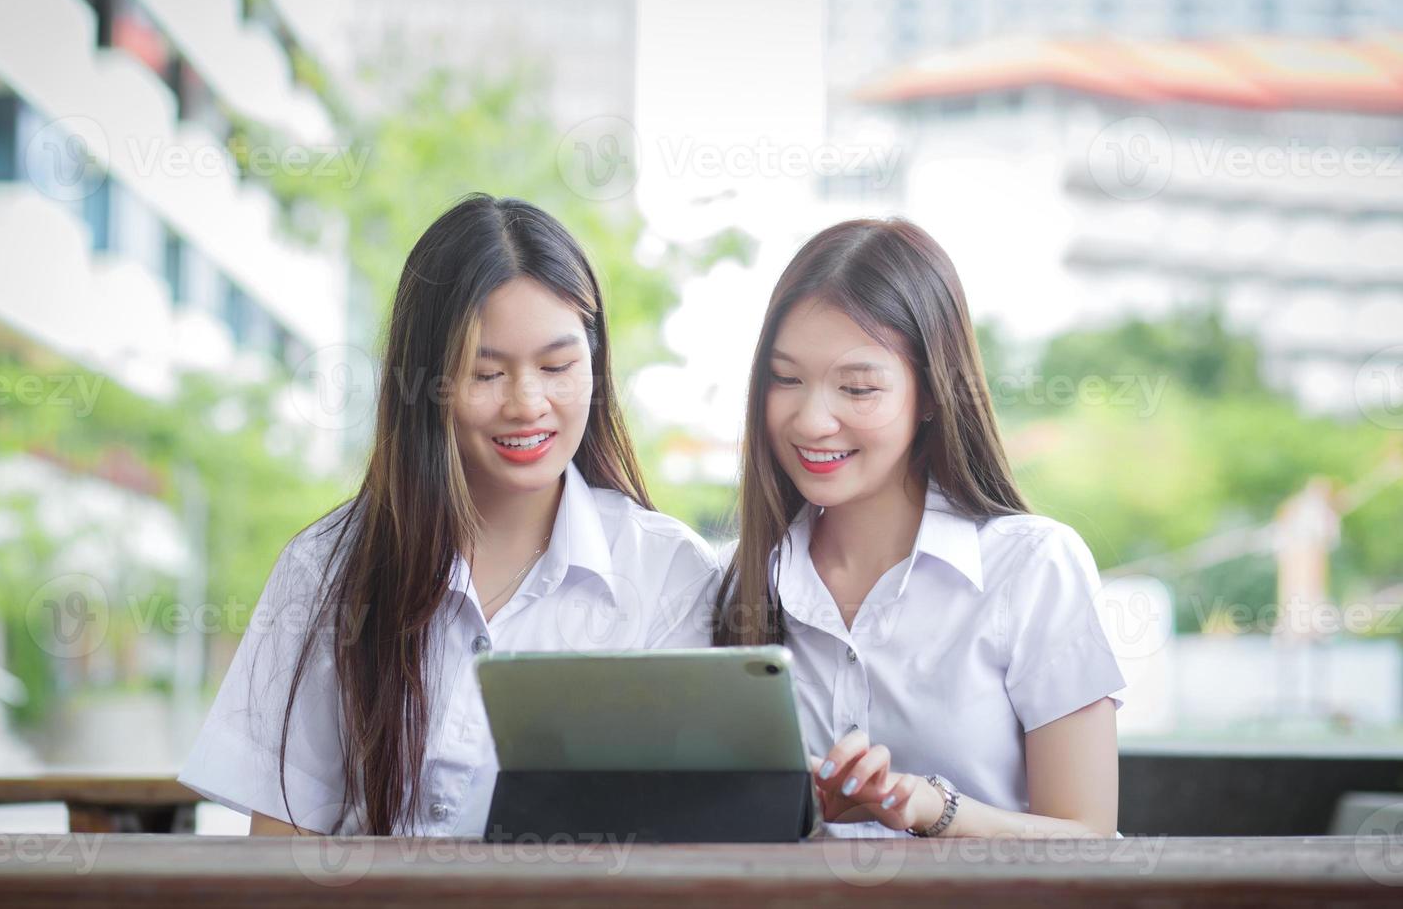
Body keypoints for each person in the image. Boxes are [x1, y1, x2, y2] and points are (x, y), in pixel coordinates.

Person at [179, 194, 718, 836]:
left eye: (558, 367)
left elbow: (685, 837)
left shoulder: (668, 573)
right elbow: (279, 847)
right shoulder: (326, 567)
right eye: (485, 373)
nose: (527, 404)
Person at [714, 217, 1127, 838]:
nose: (811, 420)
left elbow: (1091, 838)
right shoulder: (741, 580)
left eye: (857, 388)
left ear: (932, 393)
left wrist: (934, 808)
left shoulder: (1032, 567)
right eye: (786, 379)